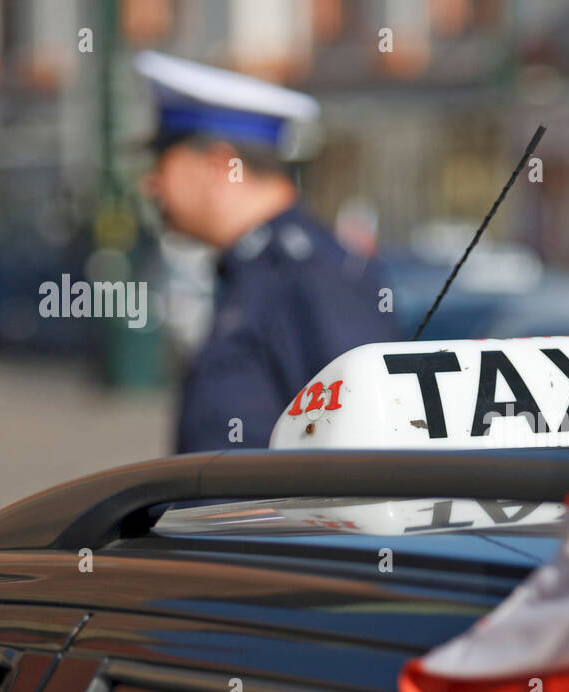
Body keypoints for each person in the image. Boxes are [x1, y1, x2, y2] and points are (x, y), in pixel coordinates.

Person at [134, 51, 397, 452]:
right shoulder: (257, 270)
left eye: (162, 163)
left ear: (219, 166)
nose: (150, 185)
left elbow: (369, 453)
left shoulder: (309, 277)